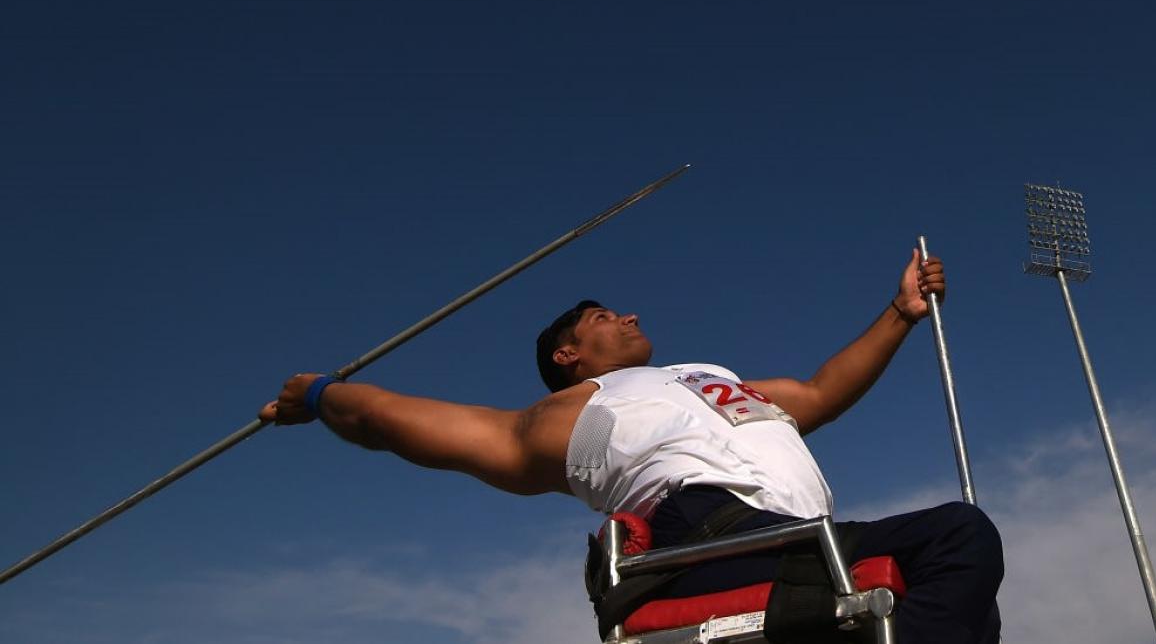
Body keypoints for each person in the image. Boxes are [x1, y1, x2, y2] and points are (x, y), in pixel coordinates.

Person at [260, 249, 1002, 643]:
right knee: (954, 539)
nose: (629, 314)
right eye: (604, 316)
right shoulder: (562, 412)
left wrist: (900, 313)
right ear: (567, 356)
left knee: (962, 555)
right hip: (706, 536)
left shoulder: (710, 377)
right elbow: (391, 417)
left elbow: (821, 390)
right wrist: (320, 395)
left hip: (804, 538)